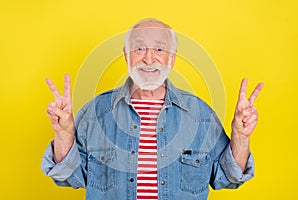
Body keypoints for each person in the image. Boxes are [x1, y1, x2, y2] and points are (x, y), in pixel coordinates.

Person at [42, 18, 264, 200]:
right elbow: (68, 178)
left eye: (159, 48)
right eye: (139, 48)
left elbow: (229, 178)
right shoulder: (95, 114)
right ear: (127, 55)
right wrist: (63, 135)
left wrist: (241, 137)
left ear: (172, 58)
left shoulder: (201, 116)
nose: (149, 59)